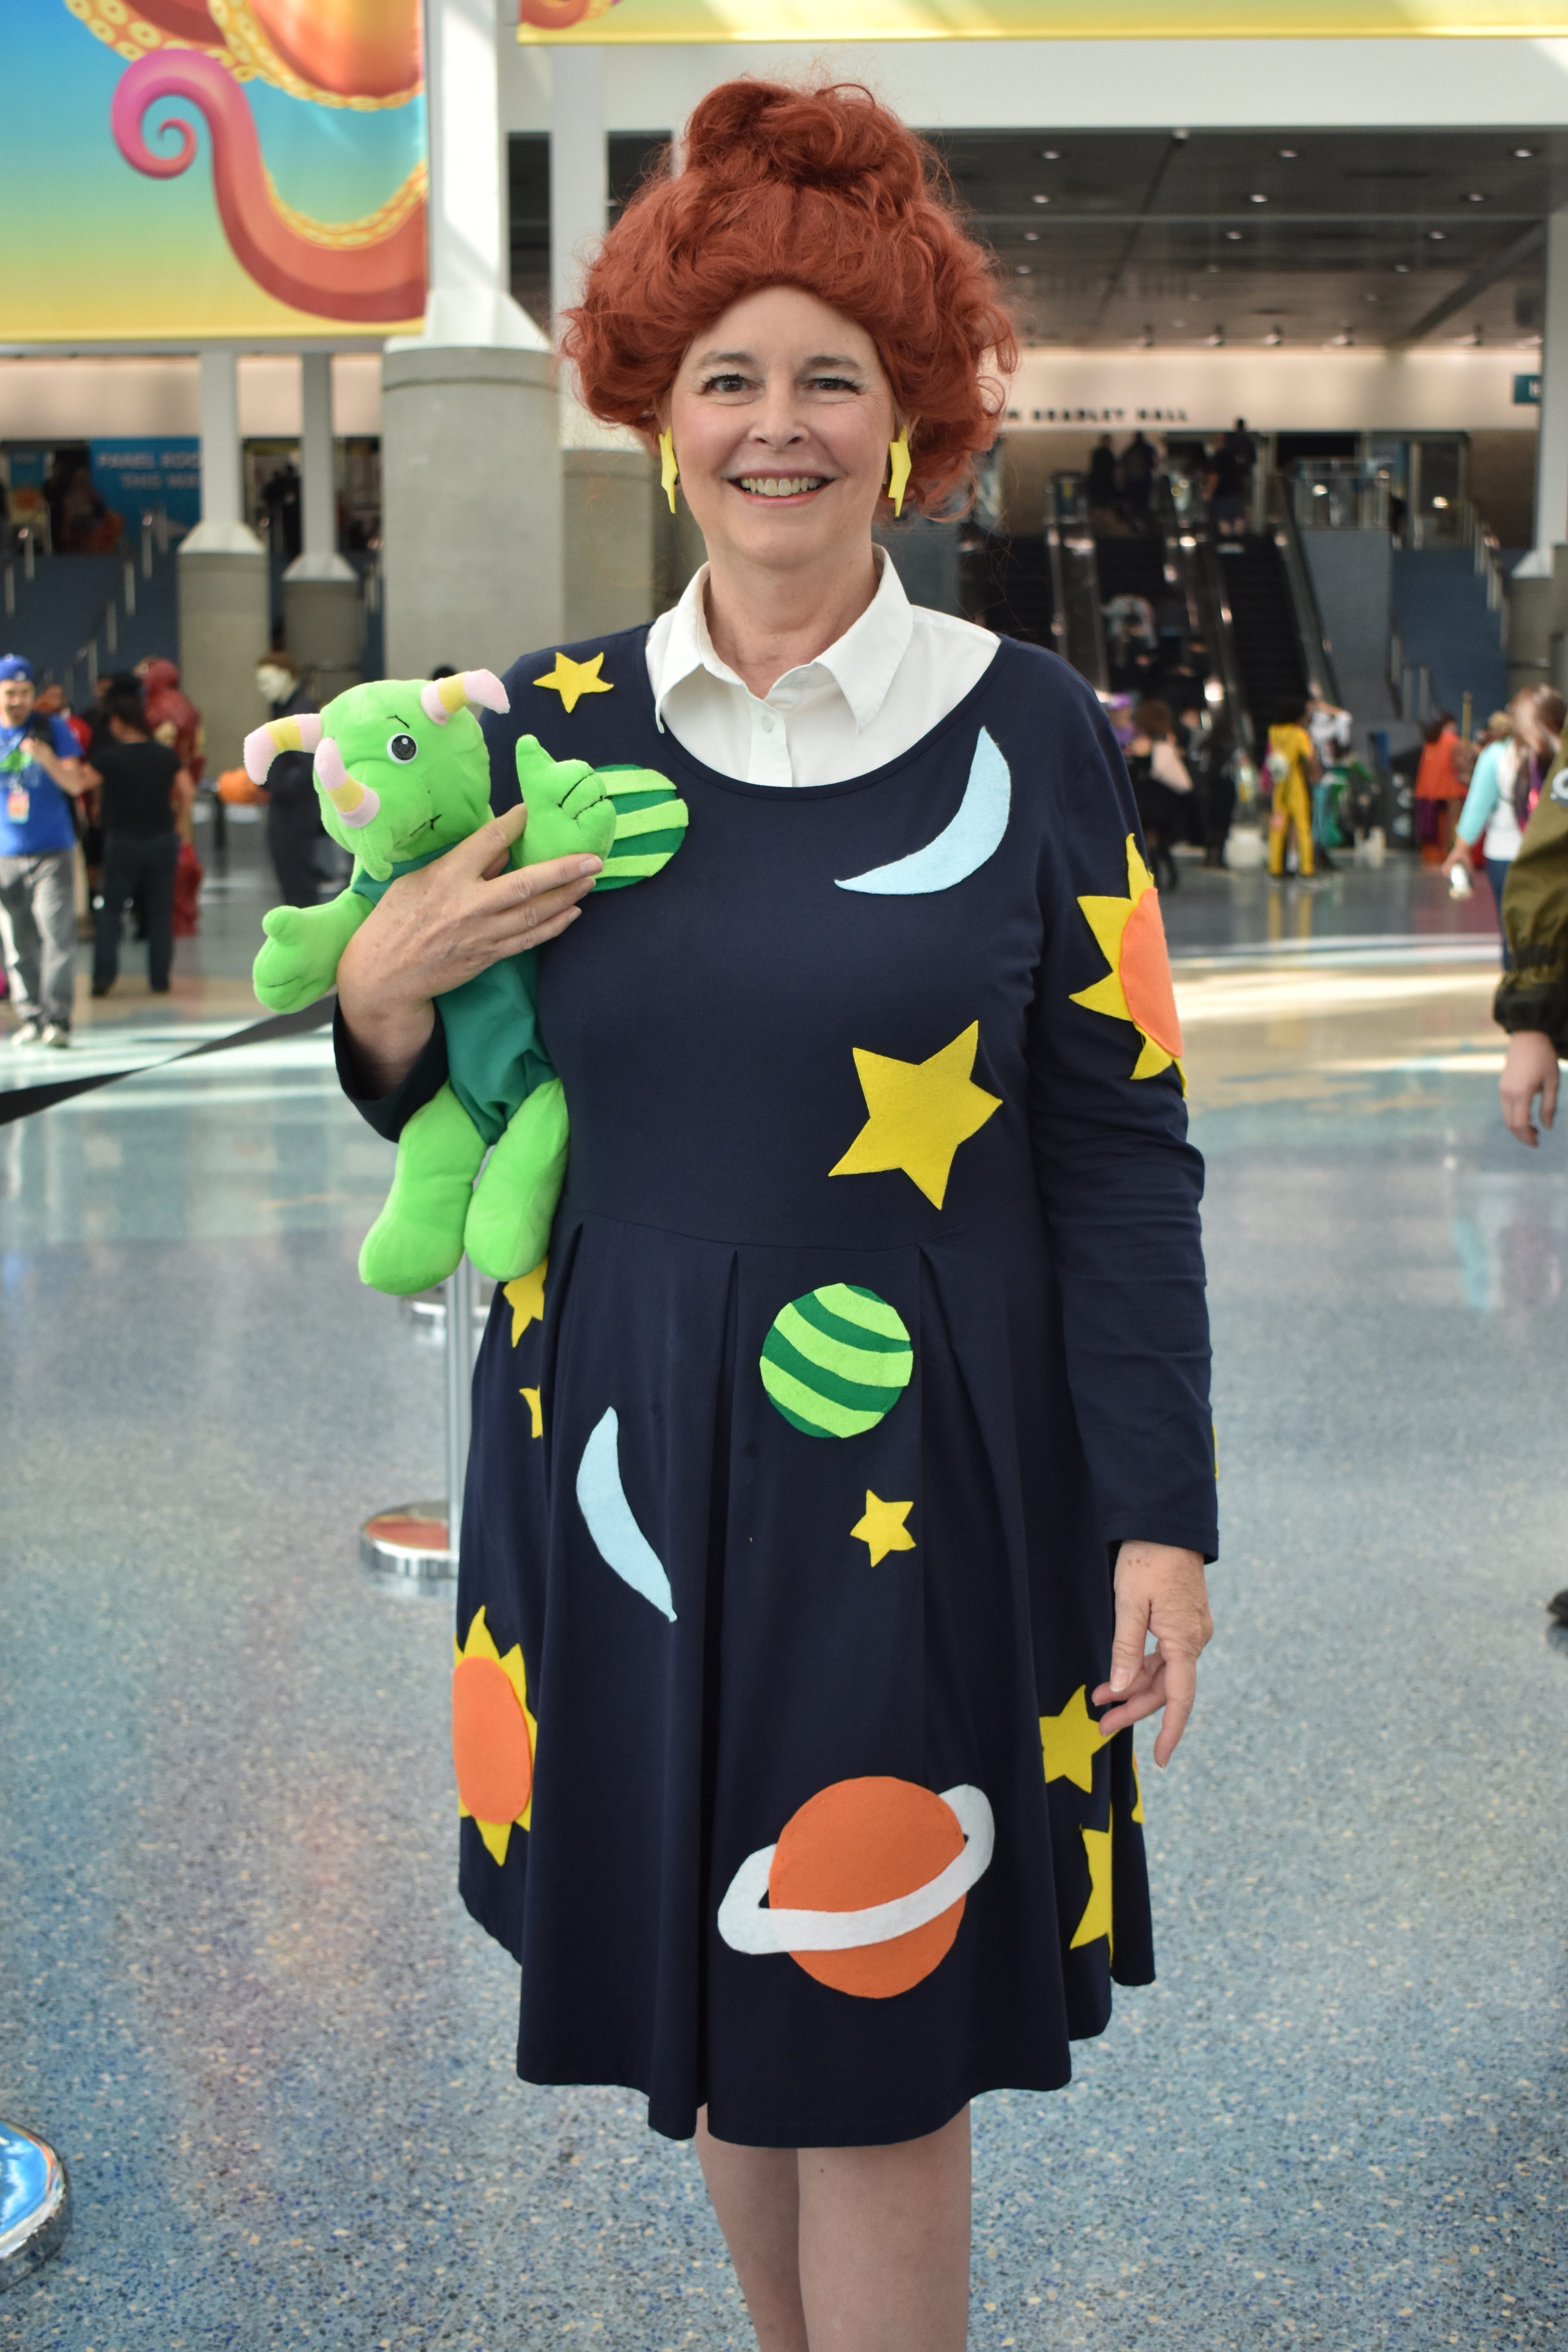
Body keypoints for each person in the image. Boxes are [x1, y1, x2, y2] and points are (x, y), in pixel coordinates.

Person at [333, 80, 1216, 2352]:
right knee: (719, 1991)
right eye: (728, 375)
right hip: (615, 1460)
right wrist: (377, 988)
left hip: (921, 1463)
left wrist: (1158, 1510)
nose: (777, 425)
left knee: (874, 1996)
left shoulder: (1029, 731)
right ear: (660, 413)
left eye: (831, 376)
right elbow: (452, 1082)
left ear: (907, 417)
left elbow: (1121, 1142)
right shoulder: (542, 731)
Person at [82, 678, 192, 996]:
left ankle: (104, 977)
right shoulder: (165, 756)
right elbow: (187, 791)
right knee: (160, 912)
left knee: (111, 912)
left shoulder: (108, 759)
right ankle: (160, 979)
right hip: (161, 840)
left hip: (122, 842)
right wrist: (178, 823)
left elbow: (81, 783)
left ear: (118, 723)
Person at [0, 653, 87, 1045]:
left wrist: (48, 759)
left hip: (53, 850)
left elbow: (76, 784)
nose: (17, 701)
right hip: (6, 853)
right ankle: (31, 1016)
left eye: (24, 692)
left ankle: (58, 1019)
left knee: (57, 936)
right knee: (18, 942)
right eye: (10, 693)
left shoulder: (52, 728)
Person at [1444, 688, 1564, 966]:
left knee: (1514, 934)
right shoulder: (1563, 755)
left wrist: (1461, 850)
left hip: (1506, 857)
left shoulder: (1497, 756)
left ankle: (1517, 982)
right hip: (1556, 856)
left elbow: (1477, 808)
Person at [255, 652, 326, 909]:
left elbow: (306, 764)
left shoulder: (300, 712)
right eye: (261, 683)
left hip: (296, 812)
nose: (264, 688)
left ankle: (306, 928)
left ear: (286, 677)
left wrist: (278, 787)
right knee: (292, 879)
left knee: (298, 882)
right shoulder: (287, 710)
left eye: (268, 681)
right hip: (290, 810)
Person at [1124, 697, 1193, 890]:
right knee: (1159, 837)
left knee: (1149, 838)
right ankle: (1169, 874)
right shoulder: (1167, 742)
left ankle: (1156, 878)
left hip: (1144, 795)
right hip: (1164, 797)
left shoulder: (1139, 743)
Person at [1265, 702, 1320, 883]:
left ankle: (1275, 867)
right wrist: (1315, 772)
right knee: (1302, 825)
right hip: (1295, 781)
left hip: (1279, 781)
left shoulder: (1274, 731)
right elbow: (1309, 757)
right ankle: (1306, 868)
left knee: (1278, 825)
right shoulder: (1300, 734)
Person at [1413, 711, 1466, 858]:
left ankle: (1432, 855)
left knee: (1430, 826)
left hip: (1427, 791)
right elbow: (1462, 764)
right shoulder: (1454, 741)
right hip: (1450, 790)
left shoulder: (1430, 742)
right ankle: (1450, 853)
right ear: (1451, 725)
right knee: (1451, 825)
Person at [1119, 428, 1156, 527]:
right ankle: (1142, 526)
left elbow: (1123, 462)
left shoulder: (1131, 449)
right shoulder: (1147, 449)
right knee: (1142, 506)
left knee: (1136, 506)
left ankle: (1138, 526)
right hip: (1142, 482)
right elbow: (1153, 464)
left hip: (1135, 482)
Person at [1086, 432, 1118, 520]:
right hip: (1105, 483)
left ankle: (1098, 523)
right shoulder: (1109, 453)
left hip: (1097, 482)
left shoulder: (1097, 452)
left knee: (1097, 505)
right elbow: (1114, 467)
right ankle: (1103, 522)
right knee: (1105, 506)